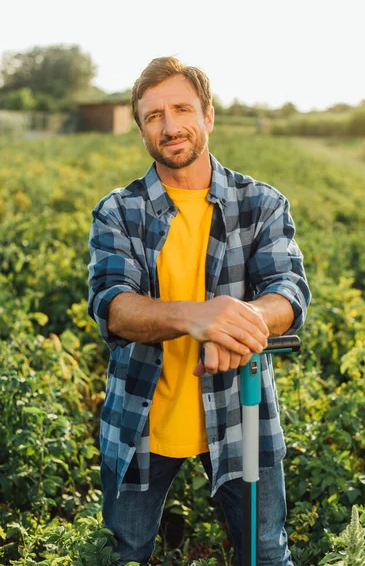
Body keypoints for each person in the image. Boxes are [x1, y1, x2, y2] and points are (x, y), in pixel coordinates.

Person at [87, 56, 311, 566]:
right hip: (140, 422)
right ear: (141, 128)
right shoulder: (119, 211)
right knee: (124, 553)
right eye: (153, 116)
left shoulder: (261, 204)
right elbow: (113, 307)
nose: (170, 127)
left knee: (265, 552)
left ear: (208, 116)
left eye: (182, 109)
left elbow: (288, 293)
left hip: (241, 413)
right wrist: (197, 316)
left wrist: (236, 327)